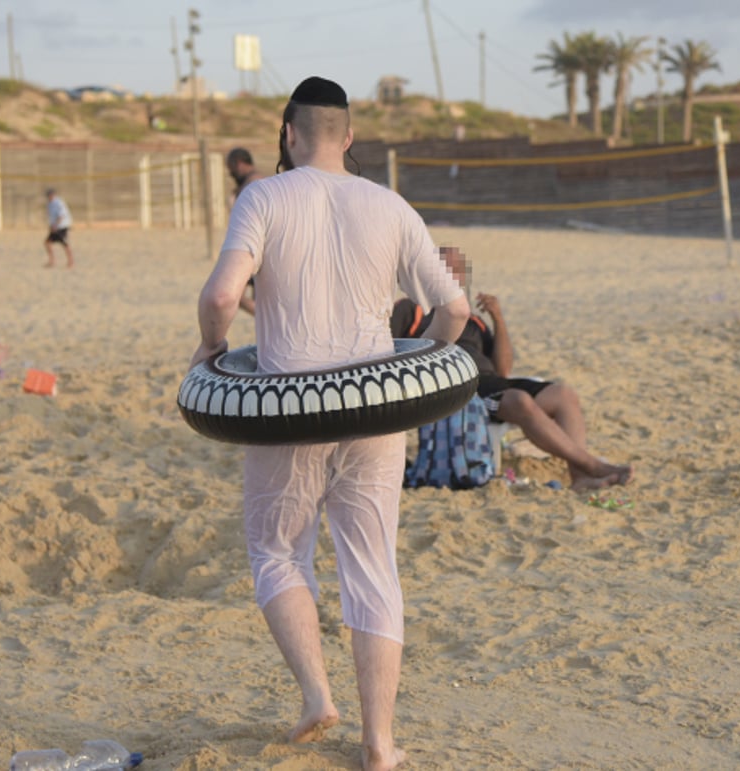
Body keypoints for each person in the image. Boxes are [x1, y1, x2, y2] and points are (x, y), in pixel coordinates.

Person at [191, 76, 468, 771]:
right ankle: (379, 742)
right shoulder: (390, 205)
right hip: (377, 408)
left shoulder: (263, 196)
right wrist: (417, 371)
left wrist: (211, 347)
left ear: (288, 135)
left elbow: (224, 293)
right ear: (348, 137)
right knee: (373, 565)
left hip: (286, 411)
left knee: (276, 549)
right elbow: (456, 310)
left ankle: (317, 696)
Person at [391, 246, 633, 491]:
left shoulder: (473, 320)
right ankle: (592, 465)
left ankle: (580, 476)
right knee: (520, 401)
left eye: (459, 272)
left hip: (491, 383)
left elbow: (503, 369)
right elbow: (388, 352)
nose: (456, 278)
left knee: (564, 395)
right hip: (461, 390)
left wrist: (498, 318)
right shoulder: (412, 310)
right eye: (448, 270)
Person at [226, 148, 267, 315]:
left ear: (239, 163)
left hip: (255, 250)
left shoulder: (253, 185)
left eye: (230, 167)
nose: (230, 173)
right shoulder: (255, 182)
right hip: (256, 249)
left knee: (235, 296)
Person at [43, 188, 74, 268]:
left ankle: (70, 262)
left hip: (61, 226)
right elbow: (51, 216)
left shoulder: (59, 203)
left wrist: (55, 225)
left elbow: (62, 215)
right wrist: (51, 226)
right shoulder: (50, 204)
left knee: (65, 244)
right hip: (54, 227)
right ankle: (52, 261)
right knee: (47, 243)